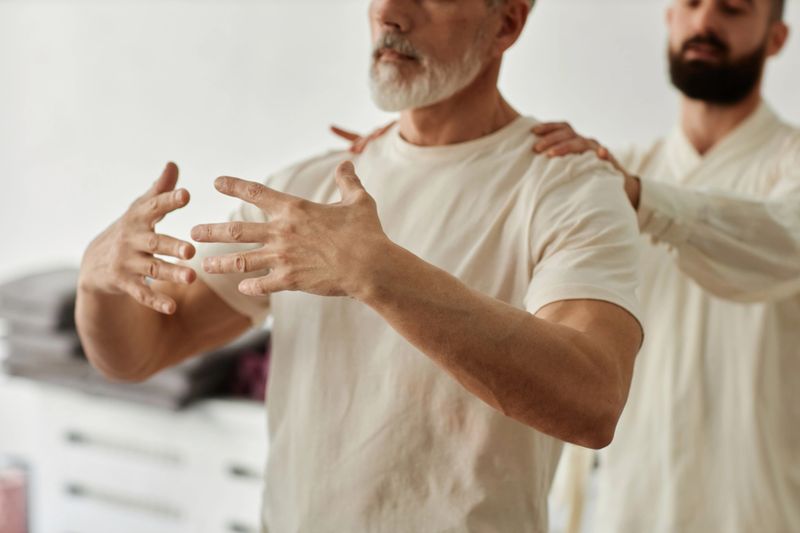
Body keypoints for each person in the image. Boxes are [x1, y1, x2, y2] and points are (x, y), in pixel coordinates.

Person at [75, 1, 644, 531]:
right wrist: (98, 283)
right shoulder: (303, 191)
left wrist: (379, 273)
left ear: (506, 24)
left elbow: (593, 401)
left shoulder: (570, 189)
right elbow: (140, 353)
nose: (391, 13)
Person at [475, 0, 799, 531]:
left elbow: (785, 240)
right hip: (626, 513)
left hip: (762, 515)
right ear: (670, 18)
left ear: (777, 38)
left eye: (733, 8)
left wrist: (642, 199)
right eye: (690, 5)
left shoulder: (635, 183)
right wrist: (404, 152)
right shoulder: (617, 173)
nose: (705, 22)